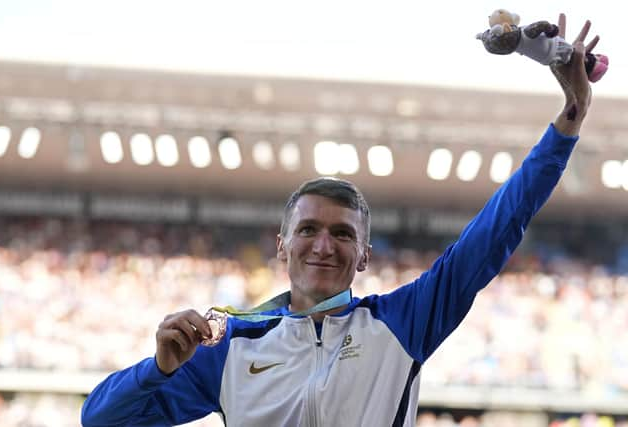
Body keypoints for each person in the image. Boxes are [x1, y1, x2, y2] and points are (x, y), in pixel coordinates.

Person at [82, 14, 600, 427]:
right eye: (308, 230)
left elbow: (496, 229)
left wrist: (572, 112)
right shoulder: (231, 348)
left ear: (365, 256)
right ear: (282, 246)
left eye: (342, 234)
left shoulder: (403, 322)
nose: (323, 246)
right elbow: (99, 419)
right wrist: (157, 370)